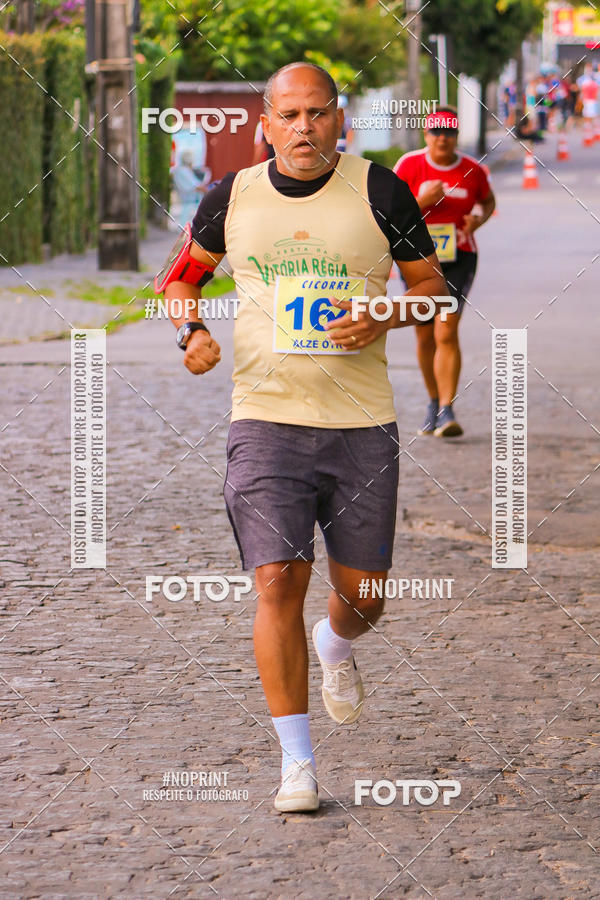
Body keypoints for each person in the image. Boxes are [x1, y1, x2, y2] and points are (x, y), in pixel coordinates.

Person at [158, 62, 447, 813]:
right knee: (278, 581)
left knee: (366, 596)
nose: (302, 128)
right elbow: (180, 279)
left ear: (339, 119)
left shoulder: (381, 190)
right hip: (264, 419)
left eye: (317, 114)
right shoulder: (233, 197)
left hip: (360, 423)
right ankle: (297, 763)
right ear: (265, 122)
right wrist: (190, 332)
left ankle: (338, 644)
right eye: (288, 115)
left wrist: (385, 315)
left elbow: (433, 293)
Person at [393, 107, 496, 437]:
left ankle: (448, 410)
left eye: (449, 133)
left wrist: (479, 220)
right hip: (416, 259)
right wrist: (421, 202)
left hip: (459, 258)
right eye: (436, 131)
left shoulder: (472, 170)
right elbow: (390, 215)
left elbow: (488, 201)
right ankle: (433, 402)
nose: (442, 138)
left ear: (456, 135)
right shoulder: (409, 165)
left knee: (445, 330)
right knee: (424, 335)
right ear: (426, 134)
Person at [172, 150, 210, 227]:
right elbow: (196, 186)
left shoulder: (179, 170)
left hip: (187, 200)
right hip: (191, 200)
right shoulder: (184, 171)